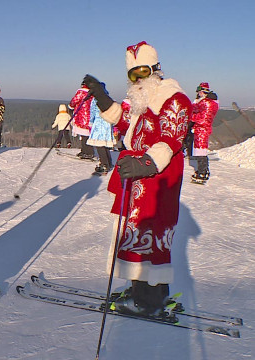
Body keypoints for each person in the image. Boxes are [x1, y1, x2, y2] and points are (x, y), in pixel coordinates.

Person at [83, 41, 192, 316]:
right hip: (137, 174)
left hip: (158, 179)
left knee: (153, 230)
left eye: (142, 71)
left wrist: (145, 162)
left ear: (156, 69)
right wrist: (104, 100)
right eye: (133, 74)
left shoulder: (174, 99)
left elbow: (172, 139)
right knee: (134, 231)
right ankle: (138, 287)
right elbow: (126, 126)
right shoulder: (143, 101)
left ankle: (151, 297)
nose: (138, 79)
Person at [190, 82, 219, 183]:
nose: (199, 93)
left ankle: (203, 172)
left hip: (202, 129)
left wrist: (191, 117)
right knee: (199, 150)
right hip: (200, 128)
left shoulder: (207, 102)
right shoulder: (206, 102)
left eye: (200, 91)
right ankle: (202, 170)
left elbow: (203, 118)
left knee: (201, 151)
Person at [87, 91, 115, 175]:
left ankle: (104, 164)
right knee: (105, 144)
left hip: (99, 123)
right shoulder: (109, 100)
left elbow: (92, 112)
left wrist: (91, 122)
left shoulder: (95, 100)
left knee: (99, 144)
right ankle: (108, 163)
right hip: (108, 123)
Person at [69, 82, 94, 159]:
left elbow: (74, 101)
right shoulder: (93, 94)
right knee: (86, 135)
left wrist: (70, 107)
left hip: (82, 116)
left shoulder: (81, 92)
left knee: (84, 135)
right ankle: (84, 151)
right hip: (90, 117)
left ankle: (88, 152)